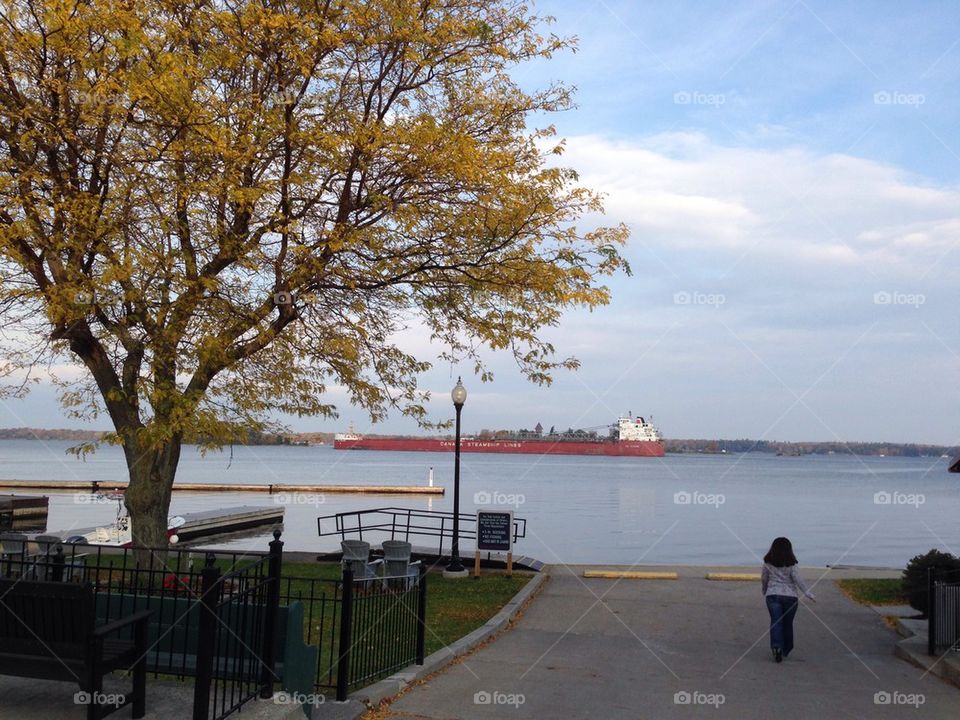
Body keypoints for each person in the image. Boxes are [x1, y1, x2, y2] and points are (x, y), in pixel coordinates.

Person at [761, 537, 815, 663]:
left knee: (776, 622)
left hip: (773, 595)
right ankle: (786, 648)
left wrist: (764, 590)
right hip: (790, 597)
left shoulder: (767, 563)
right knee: (787, 623)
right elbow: (798, 580)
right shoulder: (792, 564)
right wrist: (808, 593)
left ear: (772, 548)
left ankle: (776, 647)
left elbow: (764, 578)